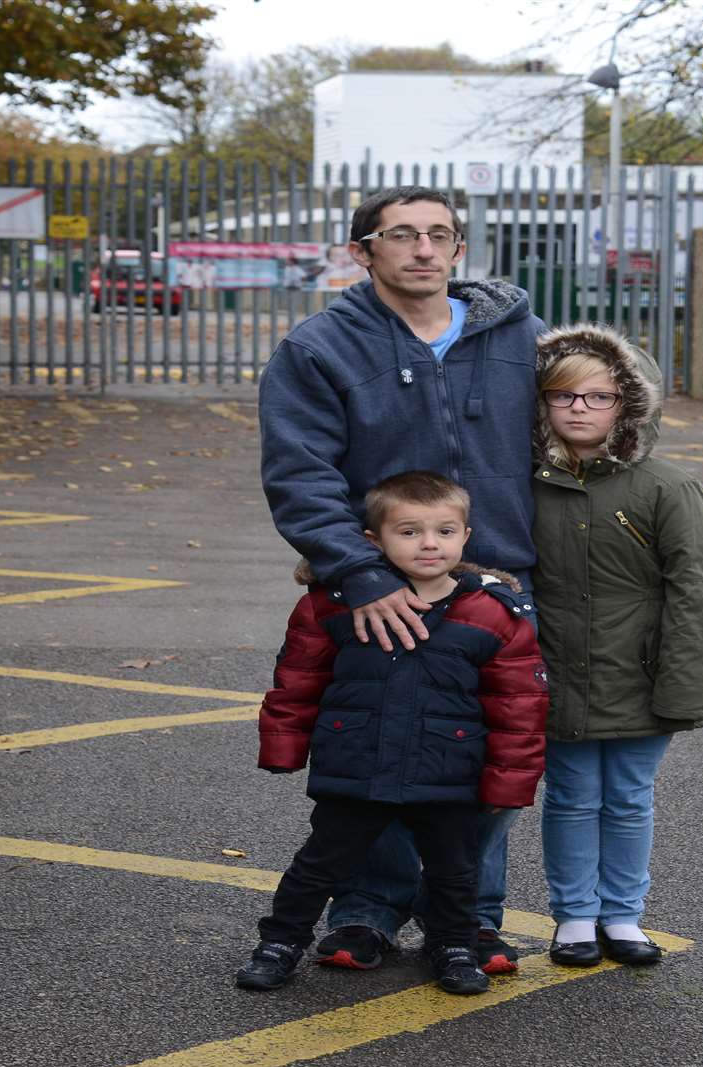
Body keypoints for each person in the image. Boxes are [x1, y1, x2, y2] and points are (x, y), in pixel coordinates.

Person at [258, 185, 545, 975]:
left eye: (440, 235)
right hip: (377, 587)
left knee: (483, 751)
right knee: (383, 753)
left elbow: (588, 427)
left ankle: (474, 920)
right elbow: (299, 472)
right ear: (364, 251)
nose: (423, 249)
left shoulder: (522, 336)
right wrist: (356, 572)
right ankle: (365, 913)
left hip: (500, 586)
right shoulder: (321, 348)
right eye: (403, 235)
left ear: (458, 250)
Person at [236, 471, 547, 994]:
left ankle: (451, 944)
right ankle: (281, 941)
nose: (429, 543)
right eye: (409, 531)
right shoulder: (332, 604)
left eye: (445, 531)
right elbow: (297, 678)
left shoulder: (494, 614)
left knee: (454, 871)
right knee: (319, 864)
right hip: (358, 763)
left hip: (449, 771)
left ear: (465, 537)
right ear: (372, 540)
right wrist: (284, 747)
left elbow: (520, 705)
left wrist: (508, 783)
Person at [529, 324, 703, 967]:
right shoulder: (524, 483)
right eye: (563, 397)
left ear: (628, 406)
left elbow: (694, 594)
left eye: (599, 397)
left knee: (630, 796)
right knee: (573, 794)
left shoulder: (667, 487)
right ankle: (575, 916)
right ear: (542, 405)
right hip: (555, 669)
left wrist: (682, 686)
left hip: (640, 674)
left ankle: (623, 915)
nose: (579, 409)